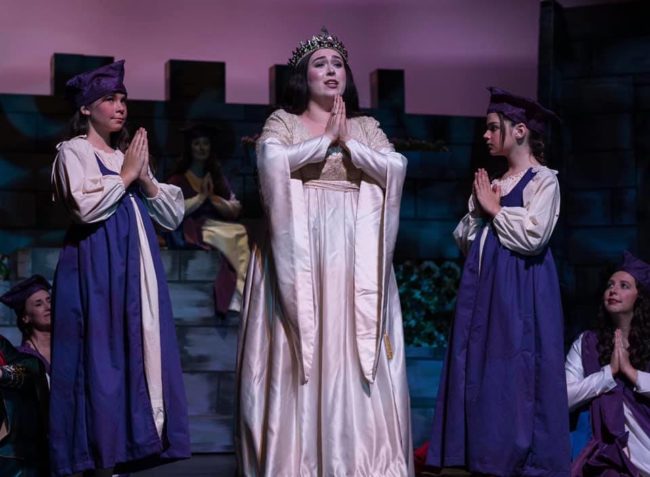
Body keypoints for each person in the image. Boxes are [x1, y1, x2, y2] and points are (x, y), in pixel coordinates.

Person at [236, 28, 413, 476]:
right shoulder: (283, 121)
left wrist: (348, 142)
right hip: (301, 245)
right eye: (320, 63)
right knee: (303, 349)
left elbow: (396, 166)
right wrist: (324, 142)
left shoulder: (366, 127)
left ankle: (359, 460)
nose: (331, 70)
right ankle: (298, 460)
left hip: (354, 247)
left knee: (353, 343)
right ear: (304, 77)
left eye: (337, 63)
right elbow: (272, 162)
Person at [49, 60, 190, 477]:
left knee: (135, 351)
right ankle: (94, 454)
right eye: (110, 99)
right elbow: (82, 204)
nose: (120, 106)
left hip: (135, 270)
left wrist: (142, 179)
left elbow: (171, 216)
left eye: (124, 99)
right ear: (88, 108)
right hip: (96, 266)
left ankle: (128, 446)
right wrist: (126, 175)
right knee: (100, 356)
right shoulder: (74, 151)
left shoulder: (123, 156)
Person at [427, 87, 570, 475]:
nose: (486, 136)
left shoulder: (543, 180)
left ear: (520, 131)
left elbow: (534, 235)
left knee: (515, 366)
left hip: (520, 289)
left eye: (494, 128)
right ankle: (480, 453)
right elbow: (466, 240)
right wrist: (480, 211)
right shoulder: (494, 181)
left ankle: (517, 457)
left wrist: (495, 210)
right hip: (484, 286)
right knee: (479, 364)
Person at [566, 251, 650, 476]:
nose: (613, 290)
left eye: (624, 286)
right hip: (603, 454)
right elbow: (563, 397)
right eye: (610, 285)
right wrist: (608, 374)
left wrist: (631, 373)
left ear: (639, 297)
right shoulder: (586, 343)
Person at [167, 124, 250, 314]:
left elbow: (234, 208)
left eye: (205, 143)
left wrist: (213, 198)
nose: (202, 148)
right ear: (190, 147)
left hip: (216, 225)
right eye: (197, 144)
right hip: (193, 229)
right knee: (237, 233)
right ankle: (237, 294)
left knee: (239, 234)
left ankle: (239, 293)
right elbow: (174, 211)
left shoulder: (216, 177)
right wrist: (201, 198)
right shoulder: (178, 179)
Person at [0, 277, 51, 476]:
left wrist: (3, 373)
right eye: (38, 303)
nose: (47, 307)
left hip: (14, 456)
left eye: (49, 301)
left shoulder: (3, 347)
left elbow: (29, 368)